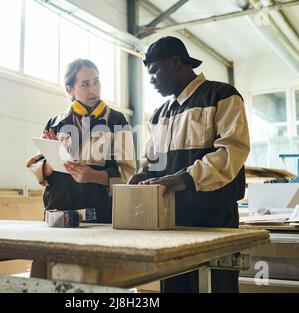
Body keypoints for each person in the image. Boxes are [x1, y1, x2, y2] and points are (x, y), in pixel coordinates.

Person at [128, 36, 250, 293]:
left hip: (213, 218)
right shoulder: (161, 113)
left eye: (155, 71)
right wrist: (143, 174)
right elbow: (153, 158)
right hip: (170, 220)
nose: (151, 80)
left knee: (215, 286)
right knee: (174, 287)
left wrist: (185, 178)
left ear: (176, 62)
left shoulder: (222, 95)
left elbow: (231, 151)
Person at [27, 58, 136, 224]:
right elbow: (36, 167)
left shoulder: (116, 120)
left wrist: (95, 176)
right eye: (85, 84)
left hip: (100, 216)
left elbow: (128, 174)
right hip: (57, 211)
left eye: (96, 82)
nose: (93, 90)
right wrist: (53, 161)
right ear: (70, 89)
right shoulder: (55, 123)